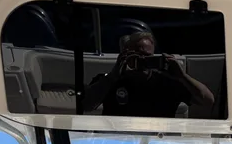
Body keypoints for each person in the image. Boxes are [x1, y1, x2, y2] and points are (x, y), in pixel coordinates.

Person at [83, 31, 215, 117]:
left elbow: (208, 100)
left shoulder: (169, 82)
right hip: (118, 142)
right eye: (135, 56)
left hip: (158, 143)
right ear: (123, 56)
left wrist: (182, 76)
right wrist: (112, 77)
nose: (141, 61)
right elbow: (85, 105)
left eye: (147, 57)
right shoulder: (109, 81)